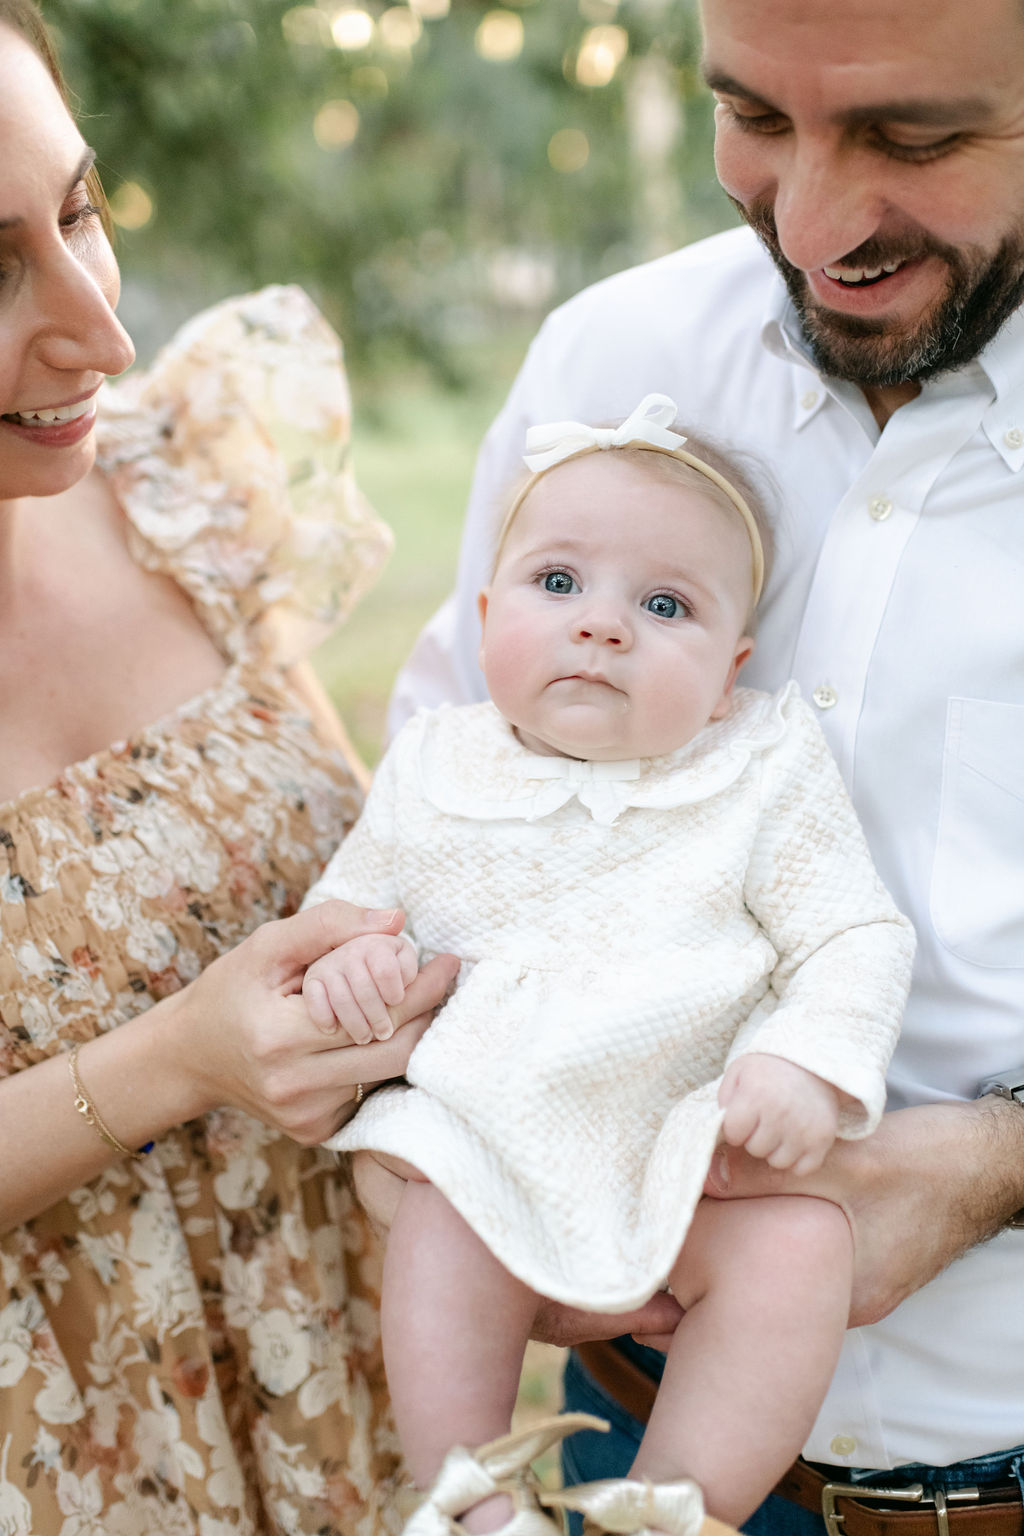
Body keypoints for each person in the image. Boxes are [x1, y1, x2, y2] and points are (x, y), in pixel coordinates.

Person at [389, 0, 1024, 1531]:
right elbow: (459, 770)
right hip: (628, 1428)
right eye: (752, 116)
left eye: (912, 138)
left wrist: (999, 1164)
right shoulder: (615, 360)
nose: (808, 224)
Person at [0, 5, 461, 1532]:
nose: (100, 333)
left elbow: (371, 876)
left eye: (79, 213)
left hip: (367, 1380)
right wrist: (179, 1062)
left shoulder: (175, 472)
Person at [299, 396, 914, 1533]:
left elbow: (851, 935)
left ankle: (674, 1504)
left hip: (691, 1152)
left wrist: (803, 1061)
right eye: (557, 584)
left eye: (664, 604)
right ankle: (472, 1497)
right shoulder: (439, 762)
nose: (603, 627)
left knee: (798, 1243)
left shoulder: (759, 769)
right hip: (487, 1135)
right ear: (485, 618)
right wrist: (346, 966)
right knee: (437, 1209)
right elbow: (347, 906)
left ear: (730, 670)